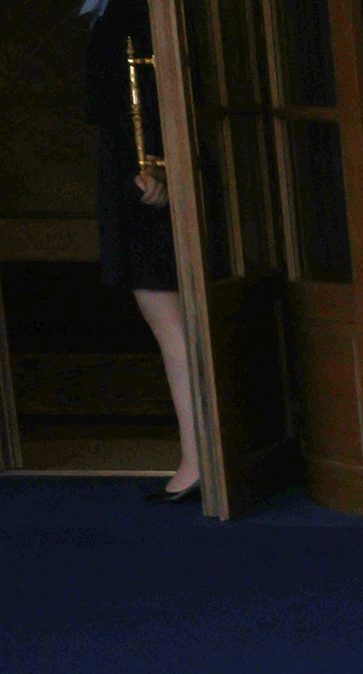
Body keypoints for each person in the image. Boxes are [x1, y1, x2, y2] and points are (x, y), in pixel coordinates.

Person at [82, 0, 199, 505]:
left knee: (170, 319)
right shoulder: (127, 13)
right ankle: (200, 455)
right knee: (172, 319)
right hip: (147, 174)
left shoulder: (132, 14)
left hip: (145, 181)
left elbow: (138, 100)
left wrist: (159, 170)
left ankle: (198, 458)